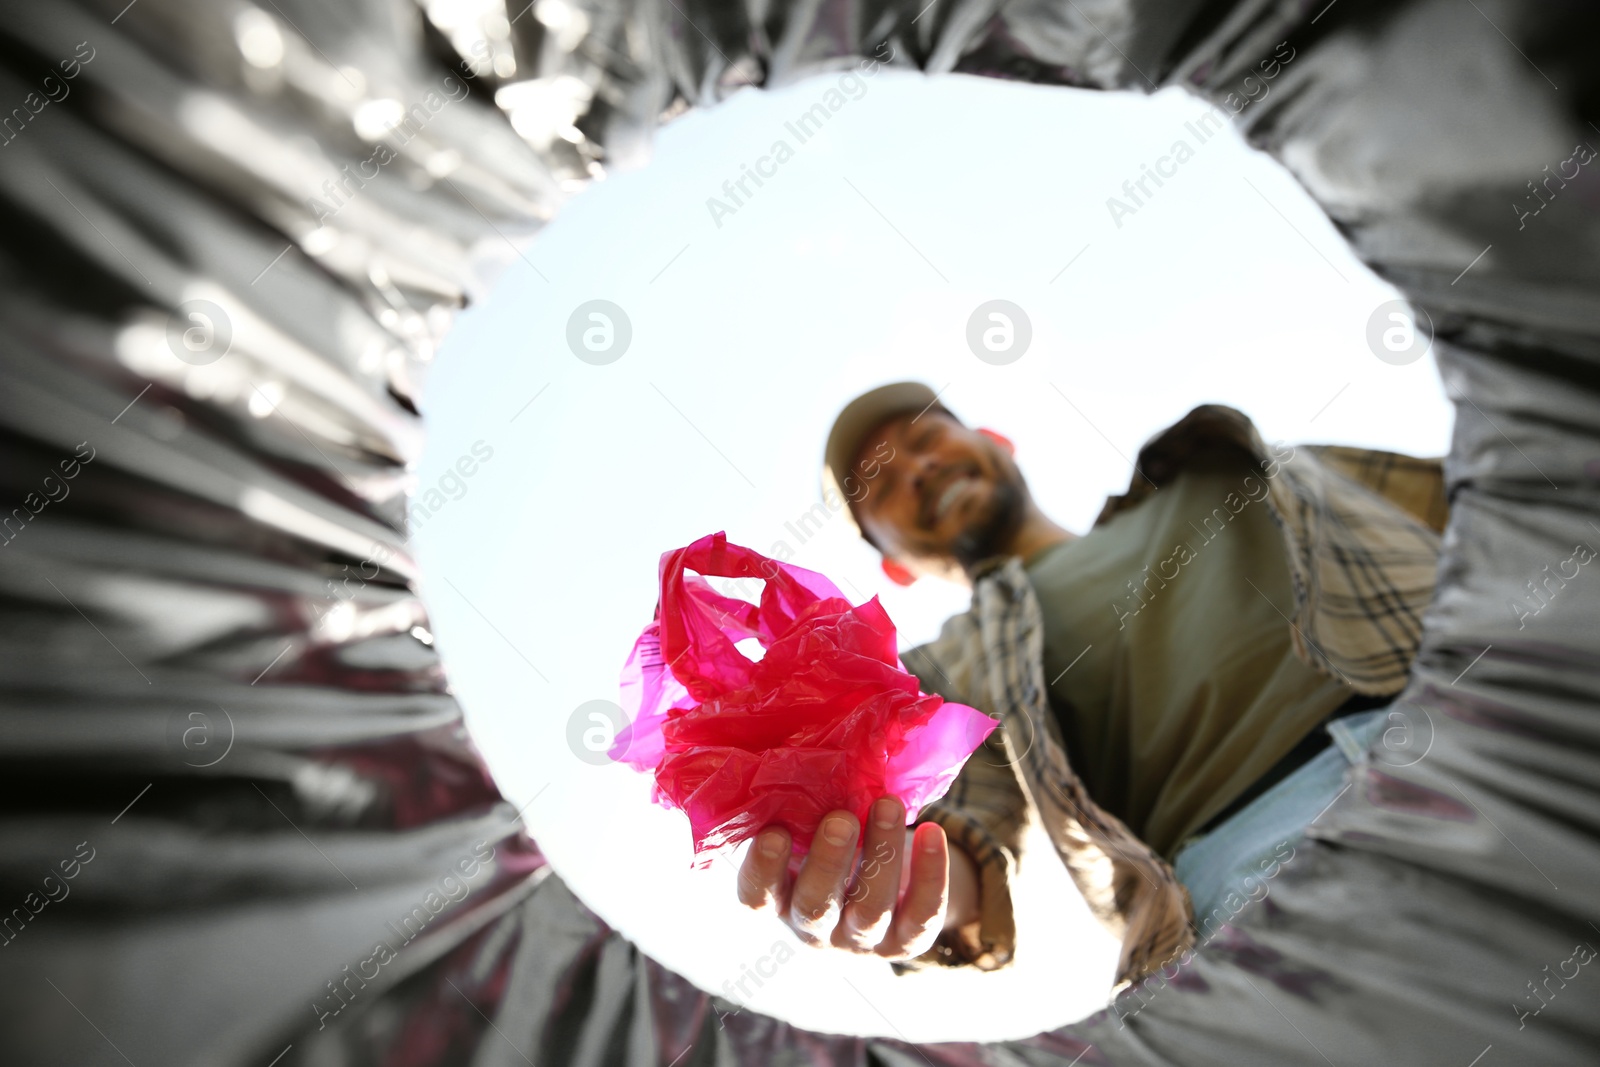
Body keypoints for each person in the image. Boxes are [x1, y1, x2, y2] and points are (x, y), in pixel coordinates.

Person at [737, 382, 1447, 988]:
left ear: (994, 439)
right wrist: (897, 884)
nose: (917, 469)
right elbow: (965, 841)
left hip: (1472, 712)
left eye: (926, 438)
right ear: (893, 563)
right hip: (1264, 851)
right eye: (881, 486)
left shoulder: (1216, 464)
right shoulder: (952, 670)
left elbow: (1476, 511)